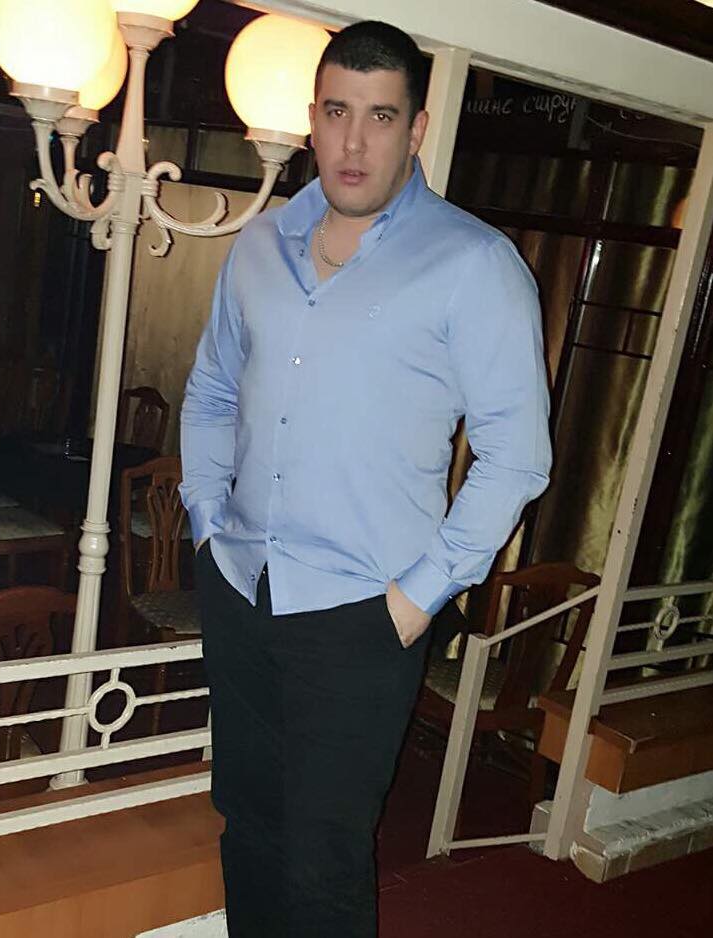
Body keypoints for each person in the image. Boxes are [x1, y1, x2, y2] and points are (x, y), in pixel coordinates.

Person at [181, 19, 551, 938]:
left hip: (361, 615)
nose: (353, 142)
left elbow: (517, 456)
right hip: (242, 587)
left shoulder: (473, 264)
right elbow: (213, 389)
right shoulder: (259, 245)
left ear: (416, 127)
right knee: (247, 825)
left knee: (326, 863)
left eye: (380, 116)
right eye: (337, 111)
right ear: (311, 117)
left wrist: (416, 600)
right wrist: (206, 521)